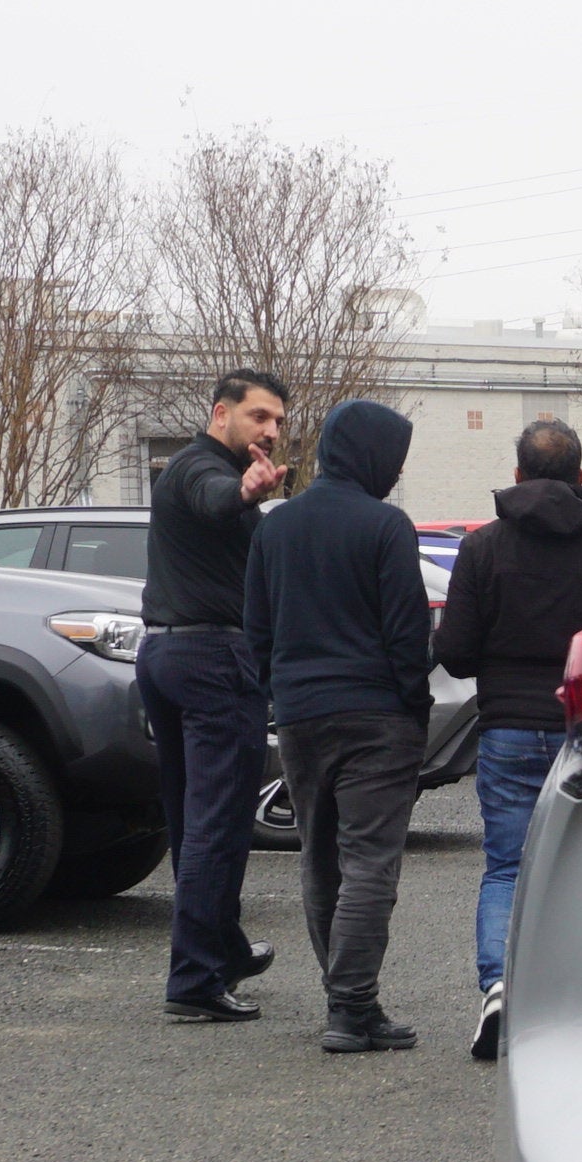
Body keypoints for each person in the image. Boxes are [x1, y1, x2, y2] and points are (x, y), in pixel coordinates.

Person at [432, 419, 582, 1060]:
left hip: (507, 728)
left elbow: (458, 651)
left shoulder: (483, 549)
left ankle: (500, 988)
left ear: (519, 475)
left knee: (506, 866)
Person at [247, 397, 434, 1052]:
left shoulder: (274, 528)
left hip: (300, 717)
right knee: (370, 862)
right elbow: (408, 635)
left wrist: (282, 696)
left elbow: (257, 631)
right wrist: (415, 711)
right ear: (374, 454)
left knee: (319, 857)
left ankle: (345, 1000)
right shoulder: (385, 526)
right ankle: (354, 1008)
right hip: (378, 717)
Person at [138, 369, 290, 1022]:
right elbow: (215, 498)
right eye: (259, 417)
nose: (272, 432)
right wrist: (247, 489)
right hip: (209, 660)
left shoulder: (195, 469)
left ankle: (220, 948)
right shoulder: (200, 470)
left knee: (193, 821)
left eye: (278, 422)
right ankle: (196, 981)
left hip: (171, 656)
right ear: (221, 412)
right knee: (217, 826)